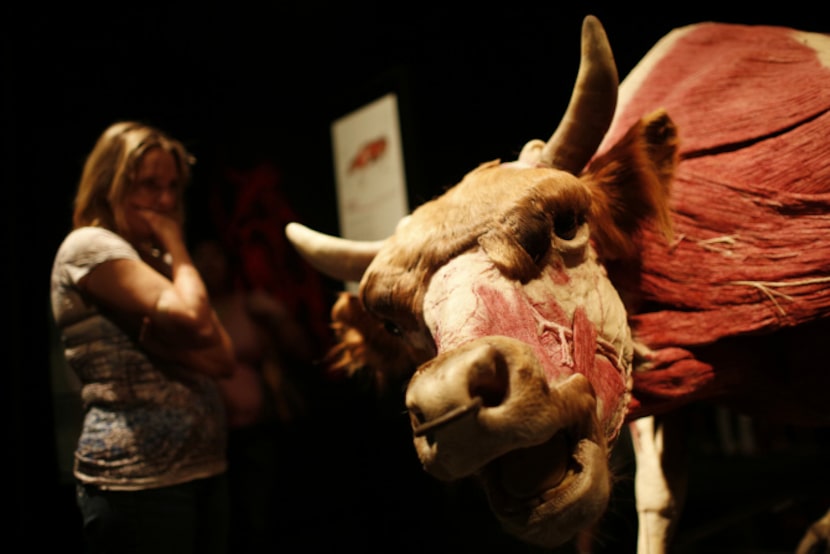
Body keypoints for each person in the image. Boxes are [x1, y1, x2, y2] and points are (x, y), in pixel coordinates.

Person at [50, 121, 237, 554]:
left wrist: (175, 338)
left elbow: (223, 358)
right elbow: (194, 316)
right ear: (110, 181)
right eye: (149, 185)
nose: (166, 201)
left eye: (173, 186)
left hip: (203, 469)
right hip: (138, 482)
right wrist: (178, 244)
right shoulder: (91, 245)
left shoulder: (150, 259)